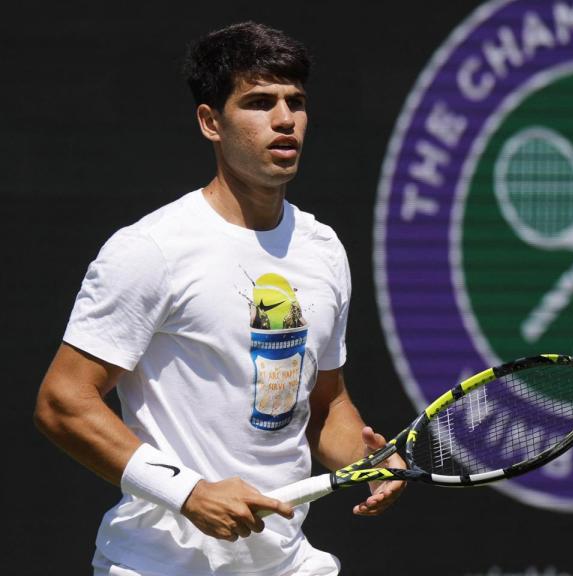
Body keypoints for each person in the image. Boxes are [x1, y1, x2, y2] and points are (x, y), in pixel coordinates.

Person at [33, 21, 403, 575]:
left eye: (295, 102)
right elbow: (62, 402)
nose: (285, 120)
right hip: (159, 563)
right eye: (259, 102)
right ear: (211, 122)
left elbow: (327, 405)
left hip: (287, 561)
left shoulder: (323, 248)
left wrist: (366, 462)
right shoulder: (151, 249)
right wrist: (188, 492)